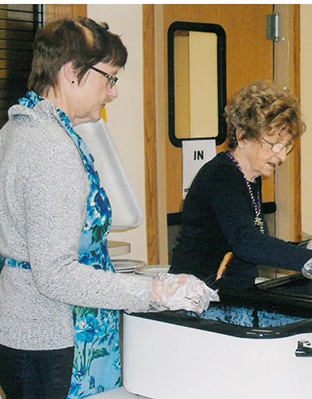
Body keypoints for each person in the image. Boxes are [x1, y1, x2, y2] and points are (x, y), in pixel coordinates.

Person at [0, 17, 218, 399]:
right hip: (50, 334)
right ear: (72, 72)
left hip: (22, 324)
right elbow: (56, 275)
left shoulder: (19, 126)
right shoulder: (50, 147)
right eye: (110, 78)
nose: (112, 92)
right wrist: (154, 291)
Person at [170, 80, 312, 302]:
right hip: (195, 301)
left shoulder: (250, 177)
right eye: (274, 144)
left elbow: (258, 243)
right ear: (242, 136)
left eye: (286, 145)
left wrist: (310, 246)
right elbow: (248, 244)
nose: (282, 156)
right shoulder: (221, 176)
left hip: (227, 297)